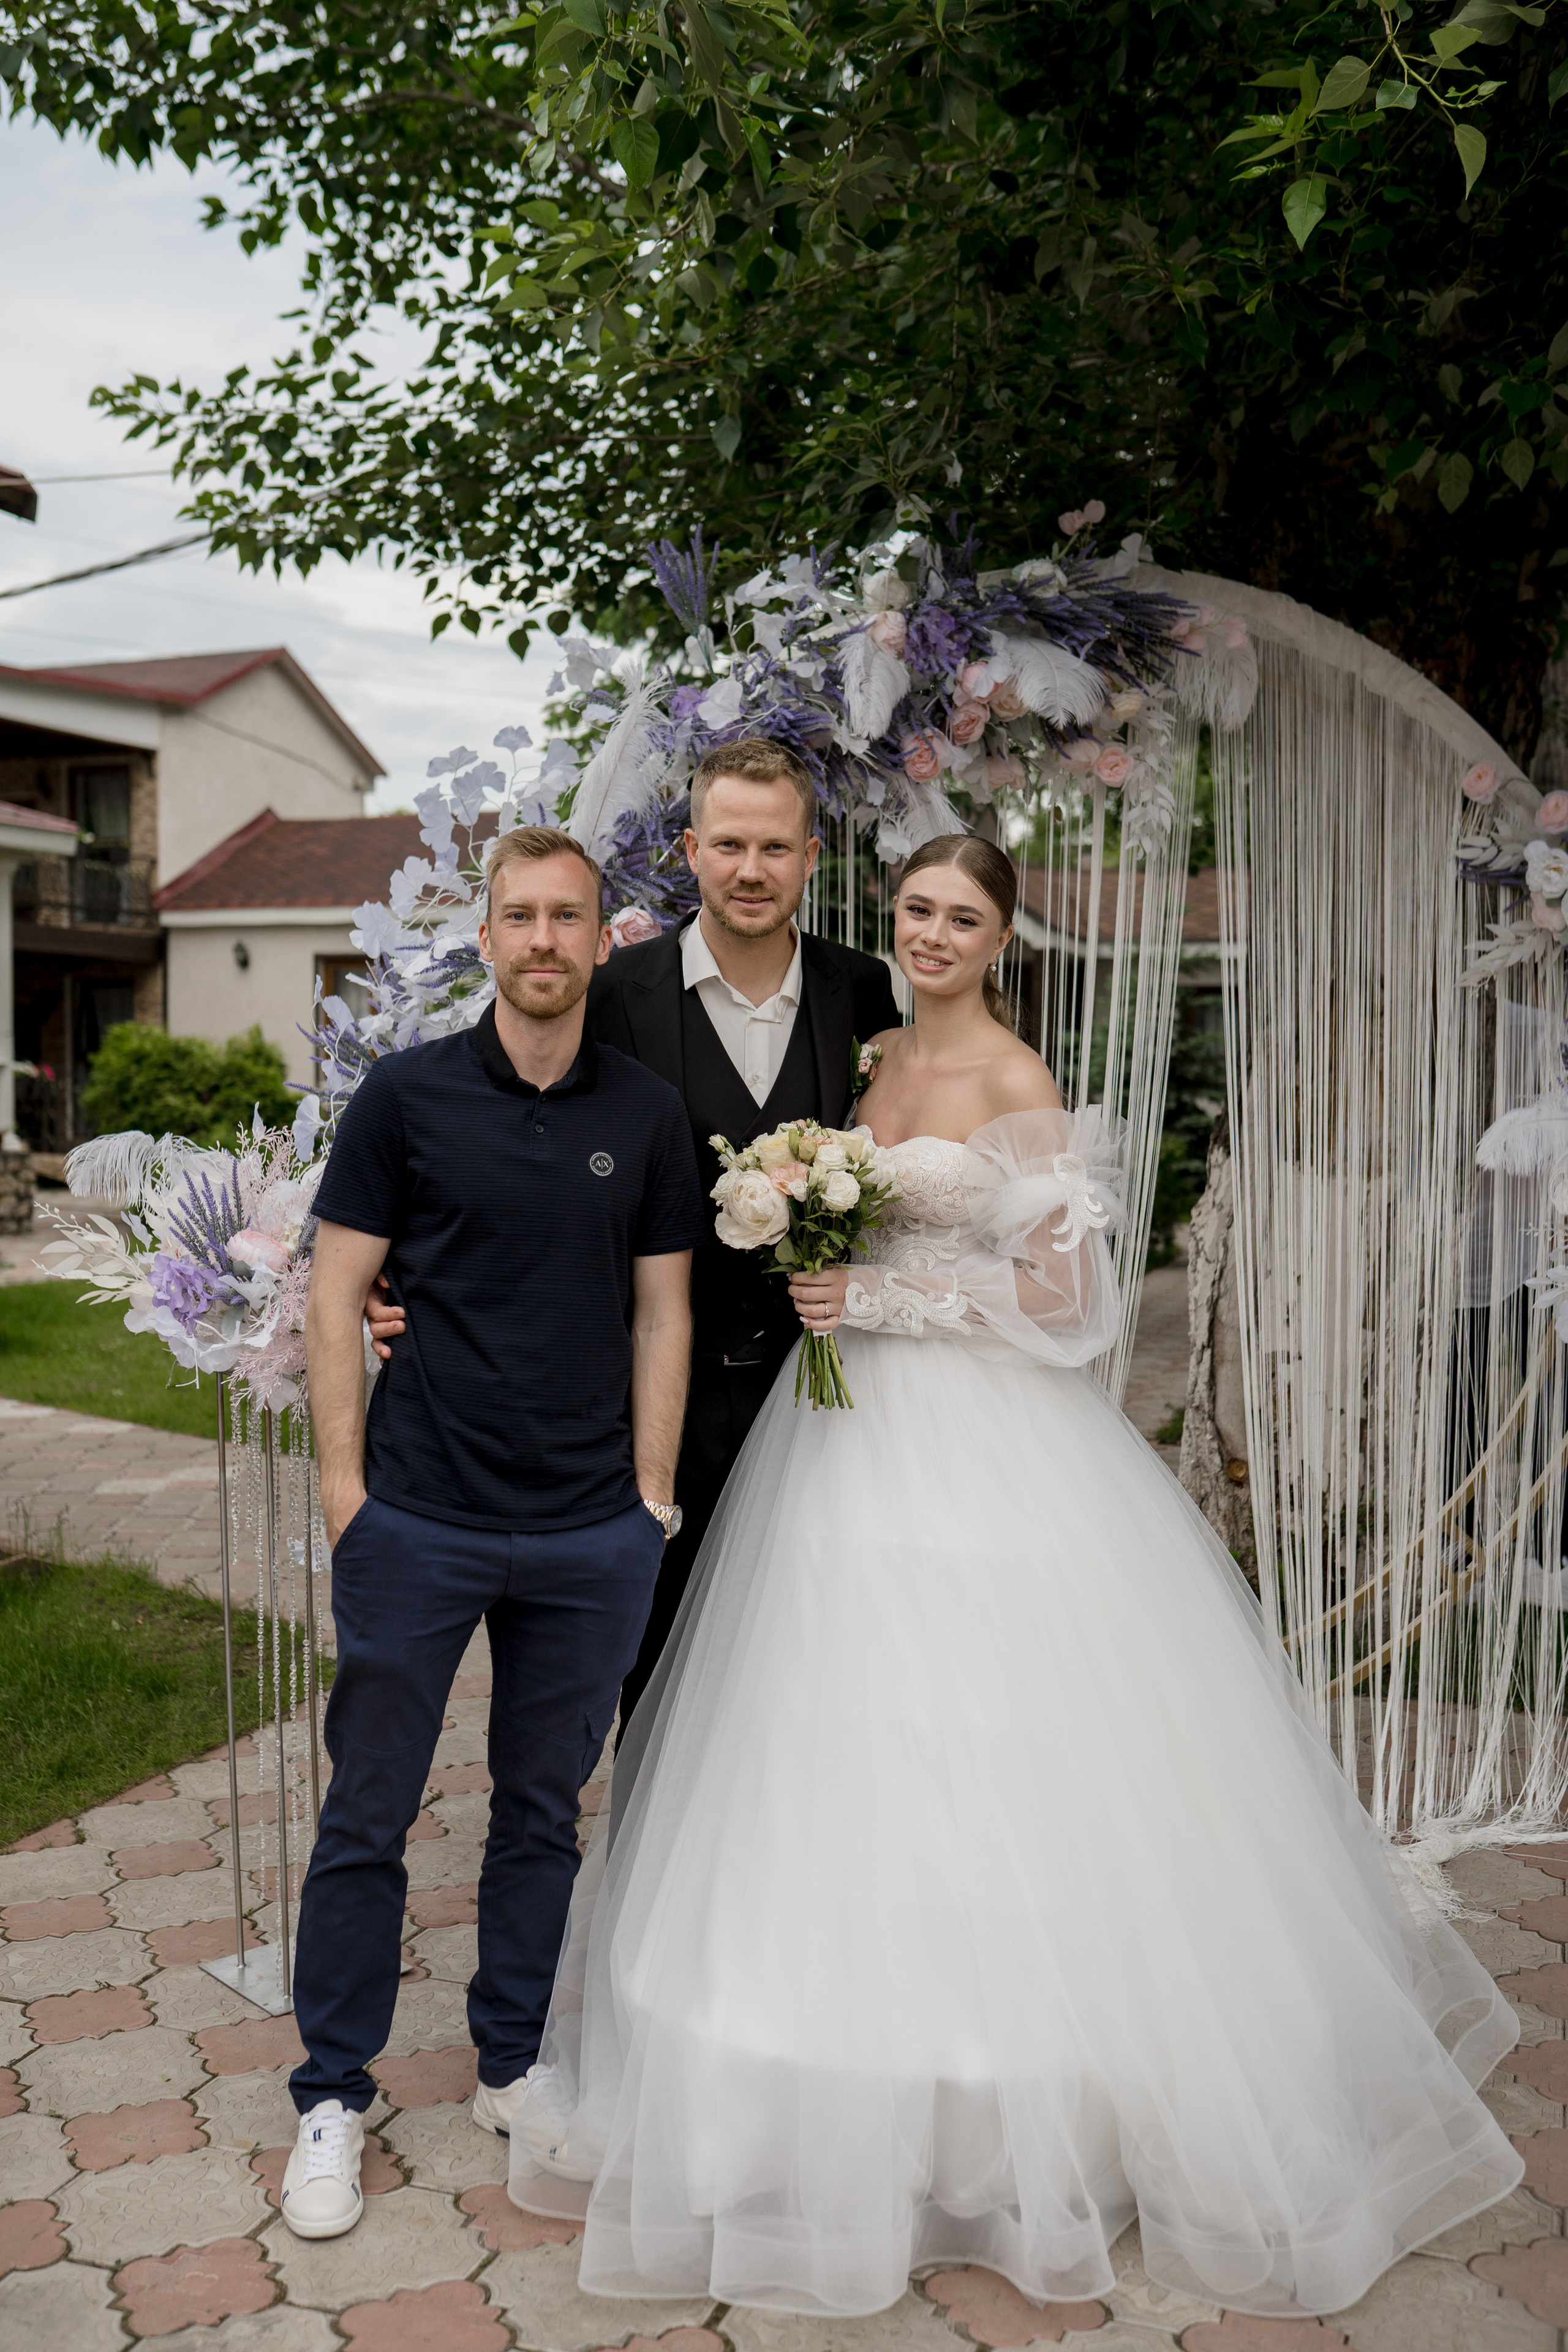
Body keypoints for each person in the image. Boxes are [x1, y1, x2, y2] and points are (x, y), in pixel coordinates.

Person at [503, 832, 1524, 2323]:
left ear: (998, 939)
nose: (928, 934)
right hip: (839, 1443)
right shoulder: (871, 1065)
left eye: (959, 918)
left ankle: (1042, 2095)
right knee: (825, 1726)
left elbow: (1070, 1302)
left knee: (999, 1729)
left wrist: (883, 1293)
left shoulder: (1015, 1084)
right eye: (914, 910)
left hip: (978, 1442)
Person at [279, 825, 706, 2241]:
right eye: (517, 917)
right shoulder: (402, 1098)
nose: (540, 940)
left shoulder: (644, 1113)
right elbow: (336, 1296)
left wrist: (648, 1498)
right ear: (487, 939)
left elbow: (663, 1310)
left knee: (540, 1813)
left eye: (564, 919)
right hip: (421, 1516)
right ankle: (332, 2093)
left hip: (589, 1533)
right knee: (368, 1814)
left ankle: (511, 2064)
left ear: (602, 941)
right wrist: (349, 1494)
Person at [370, 736, 899, 1729]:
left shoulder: (860, 991)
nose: (752, 871)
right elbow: (501, 1135)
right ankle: (660, 1875)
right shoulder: (606, 989)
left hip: (823, 1397)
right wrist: (383, 1264)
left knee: (821, 1656)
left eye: (776, 848)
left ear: (813, 858)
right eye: (731, 844)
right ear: (691, 849)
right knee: (654, 1674)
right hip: (644, 1399)